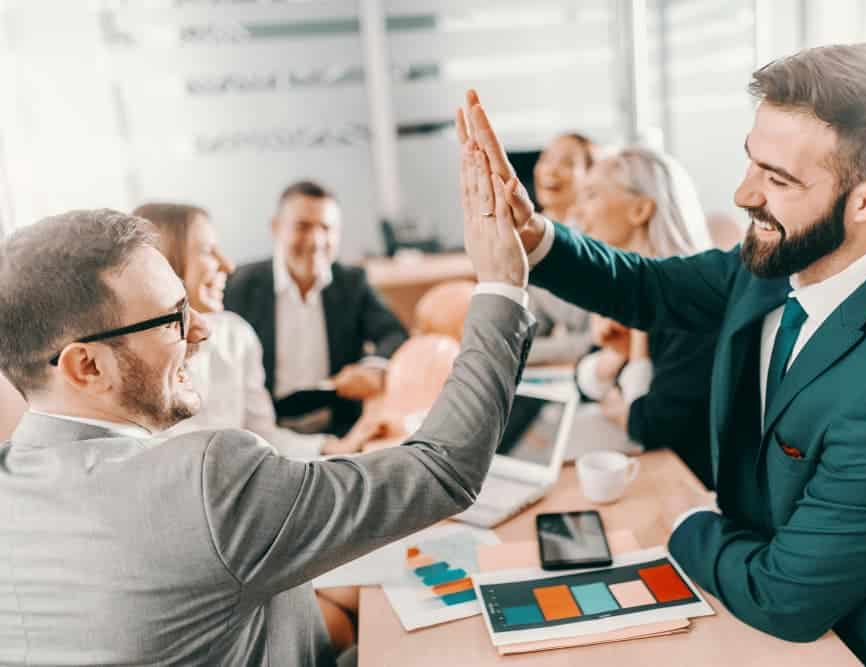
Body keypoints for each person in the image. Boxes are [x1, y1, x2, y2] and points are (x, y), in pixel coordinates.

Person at [459, 42, 866, 666]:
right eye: (753, 163)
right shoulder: (790, 253)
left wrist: (686, 521)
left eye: (777, 179)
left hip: (863, 649)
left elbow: (784, 597)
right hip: (766, 614)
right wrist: (538, 238)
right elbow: (651, 288)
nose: (744, 194)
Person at [0, 200, 533, 665]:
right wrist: (502, 285)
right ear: (86, 367)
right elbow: (444, 468)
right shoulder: (205, 482)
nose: (203, 329)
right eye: (173, 318)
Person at [134, 202, 379, 459]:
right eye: (208, 251)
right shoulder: (135, 357)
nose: (228, 265)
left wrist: (333, 446)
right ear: (164, 261)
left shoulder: (236, 336)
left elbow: (262, 436)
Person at [569, 147, 716, 485]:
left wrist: (635, 357)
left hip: (690, 486)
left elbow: (652, 426)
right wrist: (615, 356)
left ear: (640, 209)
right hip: (655, 469)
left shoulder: (692, 303)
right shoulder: (627, 291)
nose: (577, 213)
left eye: (591, 196)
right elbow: (585, 382)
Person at [224, 181, 408, 437]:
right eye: (303, 226)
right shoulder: (238, 286)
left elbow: (394, 333)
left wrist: (372, 368)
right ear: (276, 228)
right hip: (263, 435)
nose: (316, 241)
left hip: (338, 431)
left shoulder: (352, 283)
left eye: (326, 228)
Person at [526, 133, 597, 365]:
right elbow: (533, 329)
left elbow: (598, 340)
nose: (551, 170)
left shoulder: (599, 238)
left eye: (567, 163)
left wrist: (517, 354)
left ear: (591, 176)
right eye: (546, 159)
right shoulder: (531, 239)